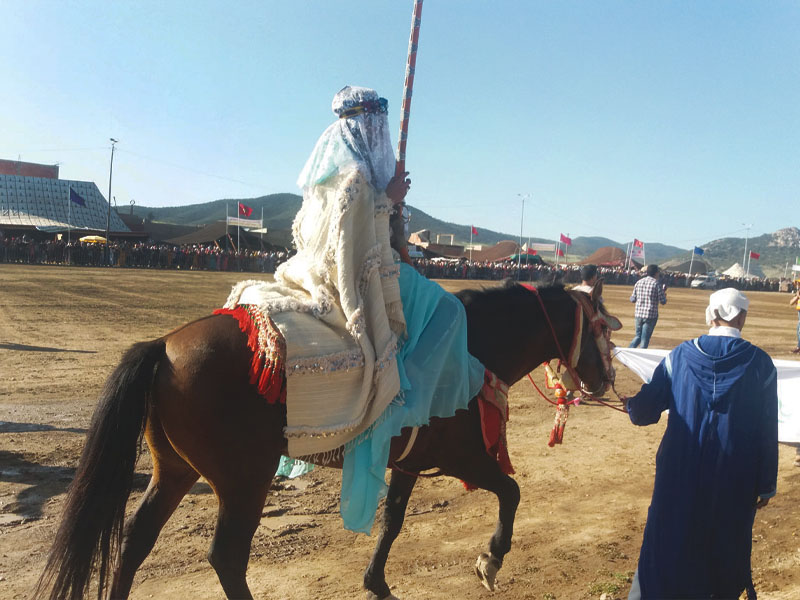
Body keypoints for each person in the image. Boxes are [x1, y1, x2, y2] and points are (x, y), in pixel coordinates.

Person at [277, 86, 485, 533]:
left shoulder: (344, 171)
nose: (380, 136)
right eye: (376, 127)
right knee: (450, 312)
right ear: (365, 126)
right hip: (356, 273)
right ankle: (401, 401)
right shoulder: (351, 175)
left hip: (370, 262)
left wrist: (392, 204)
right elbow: (349, 235)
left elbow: (386, 237)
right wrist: (386, 199)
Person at [624, 288, 778, 599]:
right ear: (743, 317)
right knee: (725, 547)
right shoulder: (761, 364)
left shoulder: (679, 356)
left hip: (678, 474)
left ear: (710, 316)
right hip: (736, 478)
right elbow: (767, 430)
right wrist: (766, 485)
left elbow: (644, 412)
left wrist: (631, 404)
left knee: (669, 542)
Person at [628, 264, 666, 348]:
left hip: (638, 314)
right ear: (656, 273)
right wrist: (664, 294)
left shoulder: (639, 282)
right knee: (645, 339)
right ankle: (641, 357)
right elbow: (663, 301)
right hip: (650, 315)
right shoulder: (656, 284)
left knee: (638, 336)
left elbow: (632, 299)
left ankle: (628, 352)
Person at [789, 285, 800, 353]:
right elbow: (791, 302)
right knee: (798, 330)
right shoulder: (798, 294)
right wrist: (797, 296)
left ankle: (798, 347)